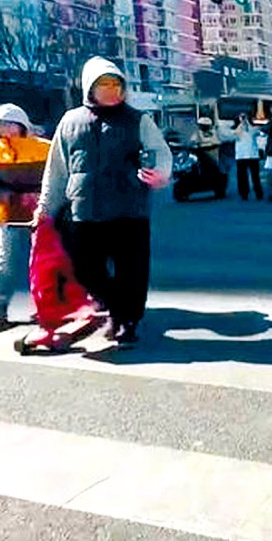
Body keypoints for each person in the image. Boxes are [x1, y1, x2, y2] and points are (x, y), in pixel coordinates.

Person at [35, 56, 171, 346]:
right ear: (89, 88)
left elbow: (160, 151)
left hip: (129, 210)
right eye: (104, 84)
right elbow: (56, 170)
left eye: (116, 84)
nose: (112, 90)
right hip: (83, 211)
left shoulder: (138, 119)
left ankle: (127, 321)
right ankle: (113, 307)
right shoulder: (70, 122)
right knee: (84, 269)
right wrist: (45, 209)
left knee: (131, 271)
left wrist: (159, 174)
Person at [0, 104, 51, 326]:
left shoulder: (45, 148)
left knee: (44, 262)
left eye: (9, 124)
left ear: (22, 124)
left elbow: (58, 176)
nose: (4, 129)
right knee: (6, 262)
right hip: (6, 212)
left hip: (41, 212)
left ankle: (49, 307)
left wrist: (43, 198)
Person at [233, 113, 263, 201]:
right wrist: (241, 124)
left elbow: (259, 131)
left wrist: (248, 124)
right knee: (242, 176)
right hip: (241, 156)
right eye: (241, 117)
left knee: (255, 176)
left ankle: (258, 193)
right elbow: (235, 134)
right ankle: (244, 193)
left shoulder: (252, 129)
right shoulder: (236, 129)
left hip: (253, 155)